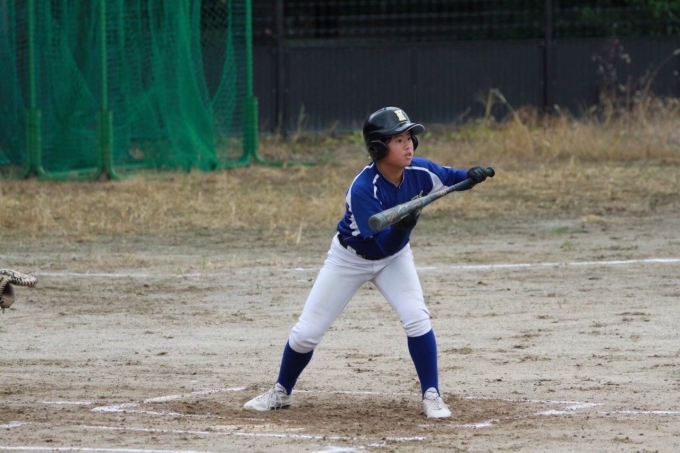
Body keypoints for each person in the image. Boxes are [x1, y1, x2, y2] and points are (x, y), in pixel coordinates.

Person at [243, 106, 489, 418]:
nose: (408, 145)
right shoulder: (363, 190)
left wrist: (471, 176)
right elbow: (383, 244)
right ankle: (281, 391)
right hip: (350, 258)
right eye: (398, 140)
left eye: (409, 138)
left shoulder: (419, 171)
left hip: (394, 258)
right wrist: (404, 227)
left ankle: (432, 394)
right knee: (306, 333)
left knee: (416, 317)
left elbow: (452, 178)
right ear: (378, 148)